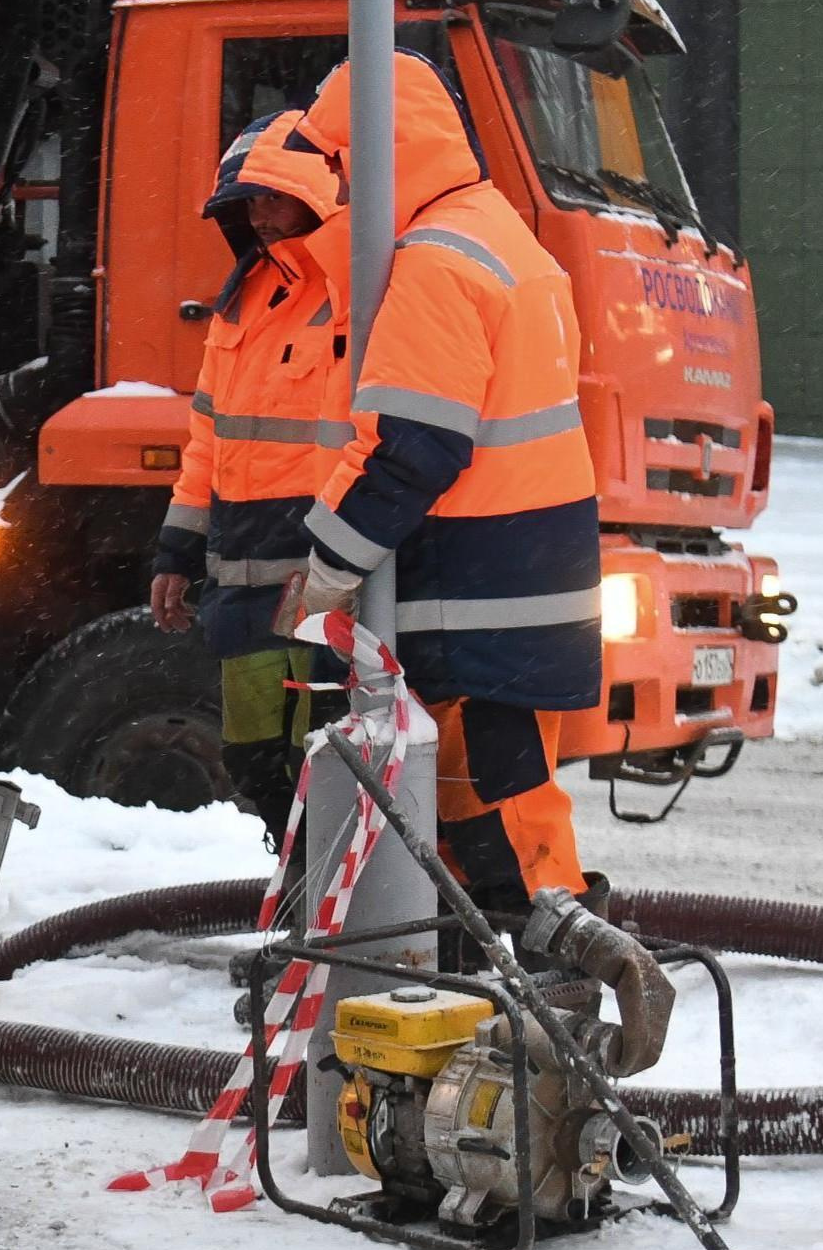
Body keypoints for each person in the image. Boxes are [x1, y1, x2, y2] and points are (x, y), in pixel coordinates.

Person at [282, 50, 602, 916]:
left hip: (470, 594)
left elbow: (412, 447)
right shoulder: (499, 233)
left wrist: (326, 566)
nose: (338, 191)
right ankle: (541, 965)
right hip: (522, 579)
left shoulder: (432, 262)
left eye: (343, 165)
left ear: (378, 154)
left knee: (483, 814)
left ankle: (544, 972)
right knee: (512, 804)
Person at [148, 109, 353, 848]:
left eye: (272, 196)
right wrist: (177, 551)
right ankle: (305, 904)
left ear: (315, 194)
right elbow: (208, 437)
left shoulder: (354, 293)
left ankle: (324, 920)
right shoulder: (243, 299)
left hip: (321, 582)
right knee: (260, 761)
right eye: (247, 201)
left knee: (323, 766)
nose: (258, 214)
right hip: (245, 584)